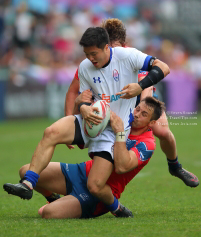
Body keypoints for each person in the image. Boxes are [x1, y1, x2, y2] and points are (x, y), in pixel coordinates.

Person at [3, 26, 170, 217]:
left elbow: (164, 68)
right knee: (51, 132)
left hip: (112, 131)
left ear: (107, 47)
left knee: (95, 185)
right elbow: (84, 98)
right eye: (86, 54)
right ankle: (28, 184)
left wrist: (140, 87)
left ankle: (116, 208)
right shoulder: (84, 67)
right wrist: (83, 107)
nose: (90, 58)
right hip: (91, 118)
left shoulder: (128, 56)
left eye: (93, 53)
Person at [65, 18, 199, 188]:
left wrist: (142, 108)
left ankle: (175, 166)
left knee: (162, 131)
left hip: (143, 99)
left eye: (115, 47)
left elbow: (146, 87)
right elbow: (72, 91)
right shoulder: (94, 59)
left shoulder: (128, 54)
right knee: (96, 139)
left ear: (121, 44)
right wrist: (69, 119)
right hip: (114, 102)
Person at [19, 97, 164, 219]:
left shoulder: (147, 144)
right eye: (137, 109)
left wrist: (119, 132)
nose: (137, 114)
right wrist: (80, 106)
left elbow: (122, 167)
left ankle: (115, 207)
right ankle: (52, 198)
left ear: (151, 123)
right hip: (83, 171)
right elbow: (87, 133)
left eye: (144, 114)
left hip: (101, 192)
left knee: (47, 213)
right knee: (26, 171)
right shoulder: (123, 119)